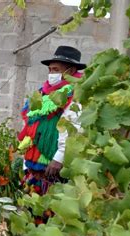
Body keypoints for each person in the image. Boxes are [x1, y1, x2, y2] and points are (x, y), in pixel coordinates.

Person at [18, 45, 85, 202]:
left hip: (52, 164)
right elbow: (31, 124)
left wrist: (59, 158)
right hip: (34, 162)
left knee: (50, 209)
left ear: (70, 70)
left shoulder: (74, 94)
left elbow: (71, 127)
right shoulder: (43, 92)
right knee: (32, 206)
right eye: (50, 70)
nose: (51, 74)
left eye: (55, 70)